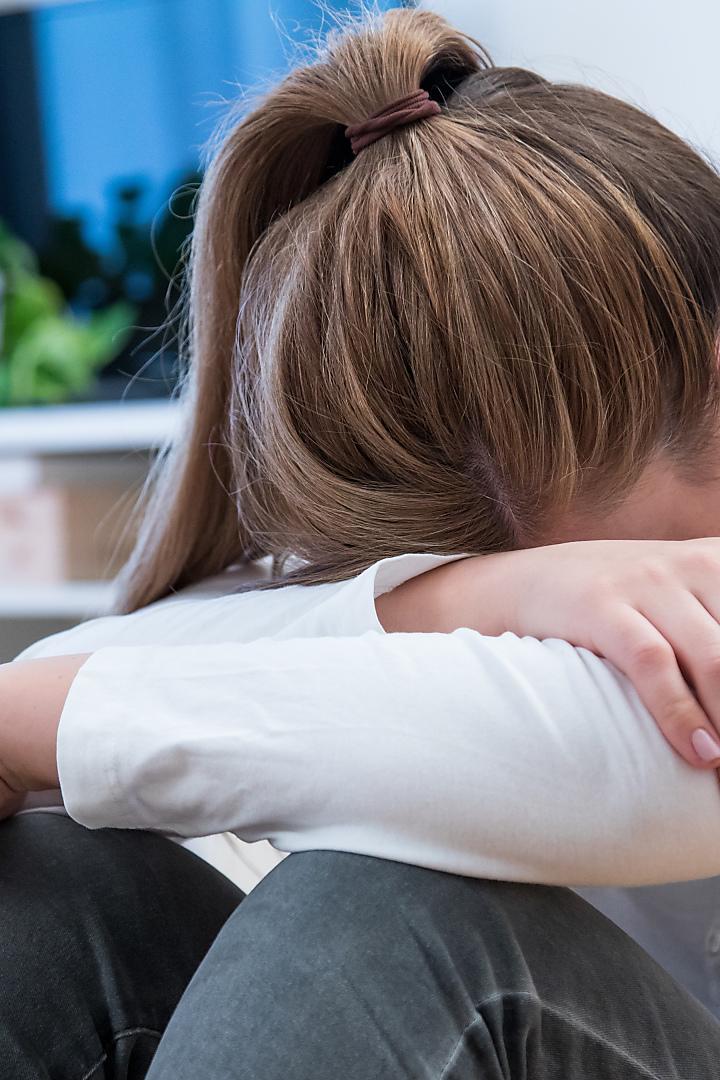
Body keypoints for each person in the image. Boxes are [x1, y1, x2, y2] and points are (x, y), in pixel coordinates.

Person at [2, 5, 720, 1076]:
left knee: (391, 918)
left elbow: (604, 766)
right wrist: (448, 602)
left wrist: (20, 726)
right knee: (50, 889)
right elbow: (69, 673)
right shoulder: (424, 583)